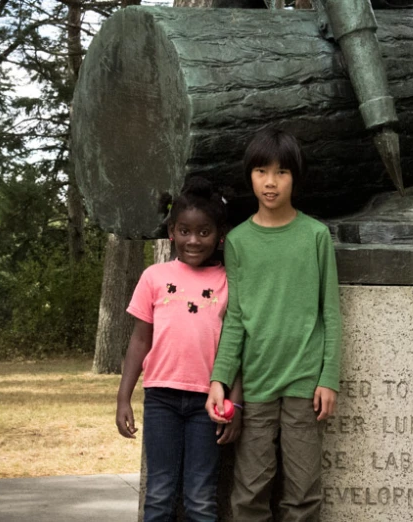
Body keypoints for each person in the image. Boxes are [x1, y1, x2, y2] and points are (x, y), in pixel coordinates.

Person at [206, 128, 342, 522]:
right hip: (258, 382)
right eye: (261, 171)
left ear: (295, 177)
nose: (270, 182)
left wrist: (329, 377)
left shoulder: (315, 235)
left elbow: (330, 312)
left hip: (304, 382)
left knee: (303, 495)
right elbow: (235, 318)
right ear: (249, 175)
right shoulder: (238, 241)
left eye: (281, 172)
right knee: (249, 493)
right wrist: (220, 378)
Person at [116, 177, 242, 522]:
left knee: (200, 497)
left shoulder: (228, 281)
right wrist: (123, 397)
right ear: (171, 231)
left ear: (220, 235)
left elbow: (237, 347)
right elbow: (140, 340)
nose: (193, 240)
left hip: (209, 403)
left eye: (204, 232)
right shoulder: (154, 277)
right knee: (159, 493)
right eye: (184, 231)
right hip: (160, 399)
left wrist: (237, 402)